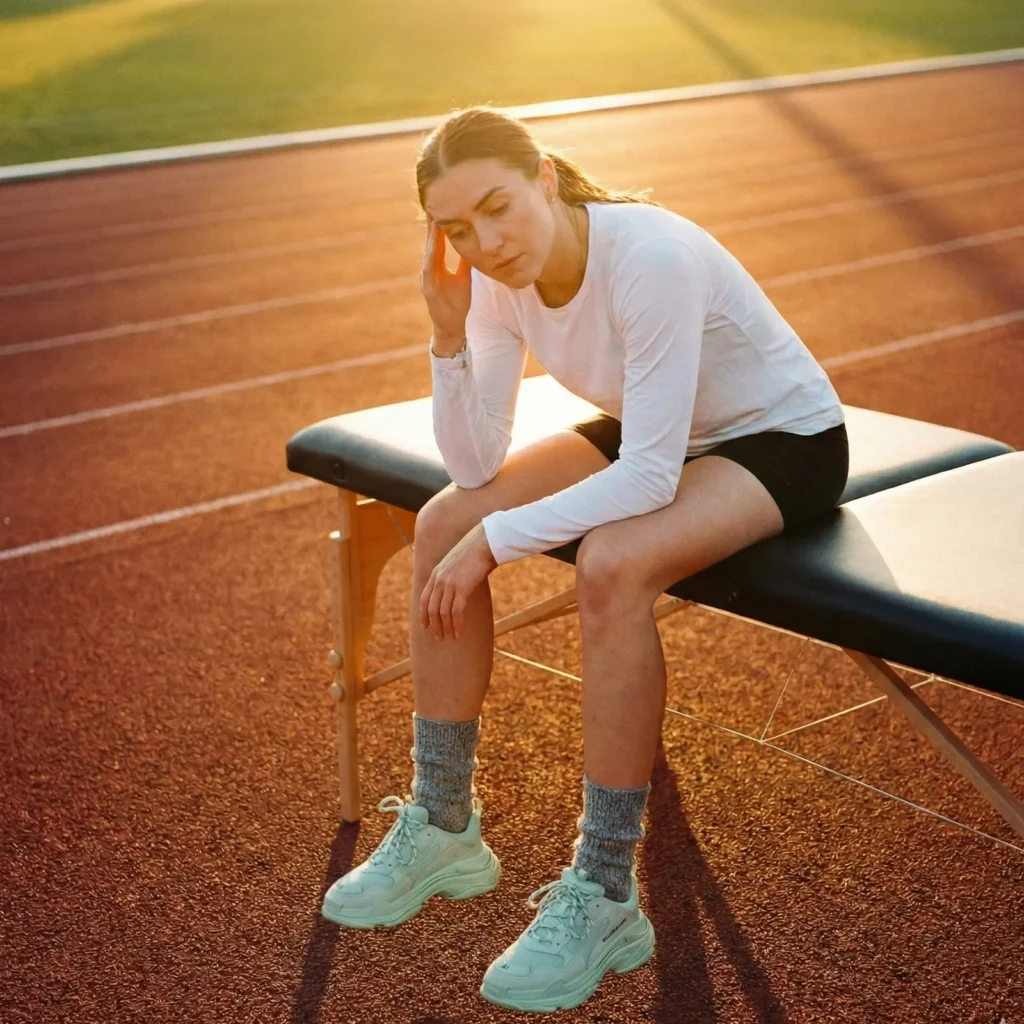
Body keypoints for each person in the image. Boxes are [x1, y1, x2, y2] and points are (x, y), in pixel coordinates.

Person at [321, 105, 849, 1013]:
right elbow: (474, 466)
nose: (485, 242)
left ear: (547, 179)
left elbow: (645, 479)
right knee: (445, 520)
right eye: (457, 229)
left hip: (780, 438)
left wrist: (499, 542)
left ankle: (605, 890)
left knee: (611, 563)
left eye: (498, 208)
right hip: (667, 432)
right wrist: (447, 332)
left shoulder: (648, 256)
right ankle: (445, 823)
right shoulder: (488, 278)